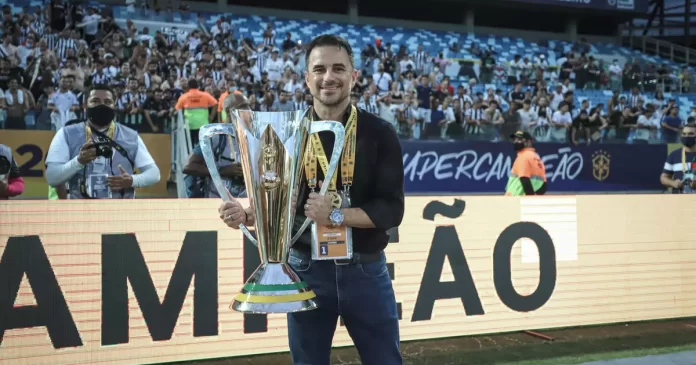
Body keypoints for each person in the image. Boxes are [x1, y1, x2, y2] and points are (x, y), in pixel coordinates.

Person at [218, 34, 405, 365]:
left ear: (354, 76)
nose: (328, 77)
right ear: (307, 78)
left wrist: (336, 215)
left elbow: (392, 210)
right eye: (319, 69)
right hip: (305, 270)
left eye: (338, 68)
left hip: (365, 269)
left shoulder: (379, 133)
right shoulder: (285, 133)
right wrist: (249, 215)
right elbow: (277, 199)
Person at [45, 84, 161, 199]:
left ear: (114, 105)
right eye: (95, 101)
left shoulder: (131, 136)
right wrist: (78, 162)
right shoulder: (66, 134)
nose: (102, 105)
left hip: (121, 212)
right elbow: (52, 177)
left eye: (107, 102)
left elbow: (154, 174)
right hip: (80, 213)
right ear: (85, 105)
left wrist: (132, 180)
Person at [183, 93, 249, 198]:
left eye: (249, 106)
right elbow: (188, 167)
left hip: (244, 204)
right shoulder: (215, 136)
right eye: (243, 107)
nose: (249, 111)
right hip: (216, 203)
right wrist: (222, 170)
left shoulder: (251, 137)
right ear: (228, 111)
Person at [505, 130, 548, 196]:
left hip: (516, 199)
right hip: (527, 201)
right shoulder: (536, 158)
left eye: (520, 139)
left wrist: (529, 199)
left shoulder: (523, 157)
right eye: (515, 139)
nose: (516, 142)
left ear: (528, 142)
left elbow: (524, 180)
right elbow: (544, 185)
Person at [660, 121, 696, 194]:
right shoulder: (674, 155)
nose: (686, 136)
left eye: (691, 134)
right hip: (679, 201)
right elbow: (663, 177)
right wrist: (673, 183)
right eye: (684, 134)